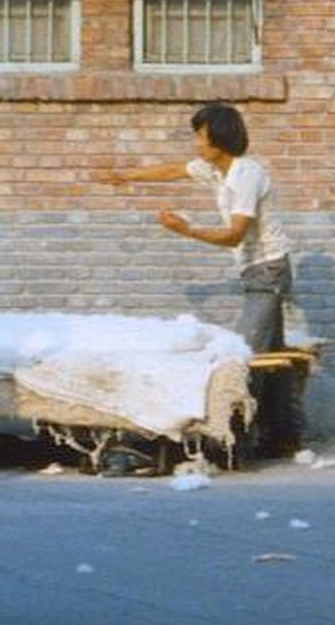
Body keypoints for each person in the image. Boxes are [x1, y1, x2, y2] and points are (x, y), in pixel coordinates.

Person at [101, 102, 301, 454]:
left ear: (220, 140)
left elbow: (235, 235)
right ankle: (285, 437)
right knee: (275, 358)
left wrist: (185, 229)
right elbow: (174, 171)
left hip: (268, 271)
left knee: (241, 356)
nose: (196, 143)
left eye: (201, 136)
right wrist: (126, 177)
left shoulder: (245, 175)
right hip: (257, 270)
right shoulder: (216, 170)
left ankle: (233, 442)